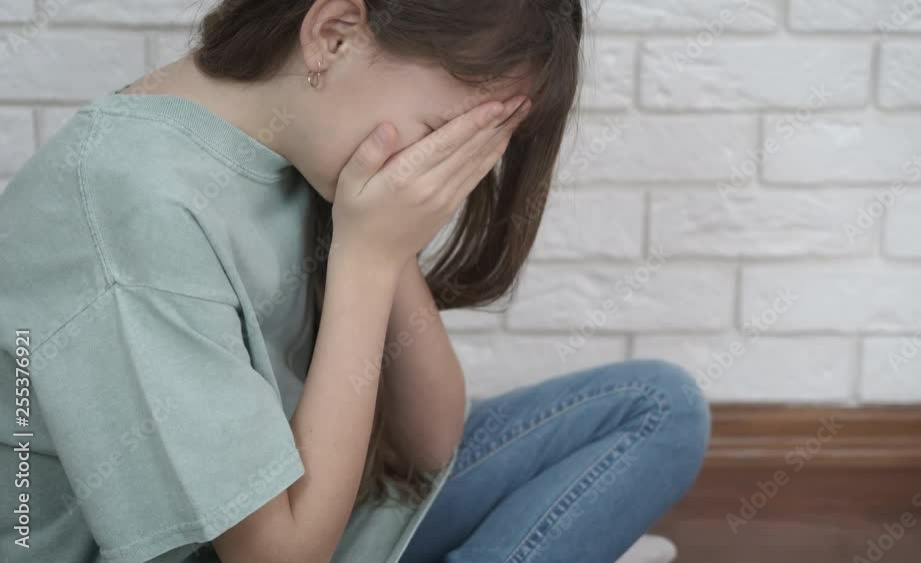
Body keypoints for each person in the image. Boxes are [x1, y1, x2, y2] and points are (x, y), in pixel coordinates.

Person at [0, 0, 711, 562]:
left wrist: (380, 246)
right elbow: (276, 556)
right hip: (265, 546)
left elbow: (430, 445)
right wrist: (366, 259)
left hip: (323, 515)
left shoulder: (299, 134)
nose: (445, 174)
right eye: (439, 131)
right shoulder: (138, 206)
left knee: (659, 405)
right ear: (334, 35)